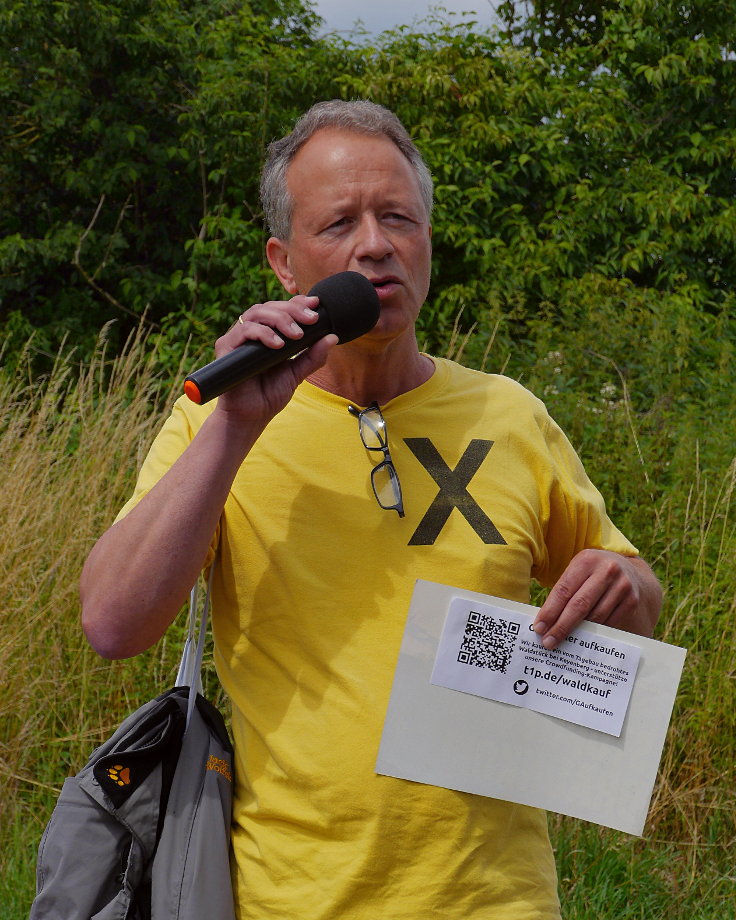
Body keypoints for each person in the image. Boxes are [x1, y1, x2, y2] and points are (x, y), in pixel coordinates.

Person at [81, 100, 662, 919]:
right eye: (339, 223)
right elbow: (112, 624)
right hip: (290, 899)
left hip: (497, 903)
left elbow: (634, 601)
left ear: (428, 242)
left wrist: (624, 584)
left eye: (399, 218)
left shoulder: (510, 414)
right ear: (284, 264)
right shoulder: (218, 423)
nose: (375, 244)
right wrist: (235, 427)